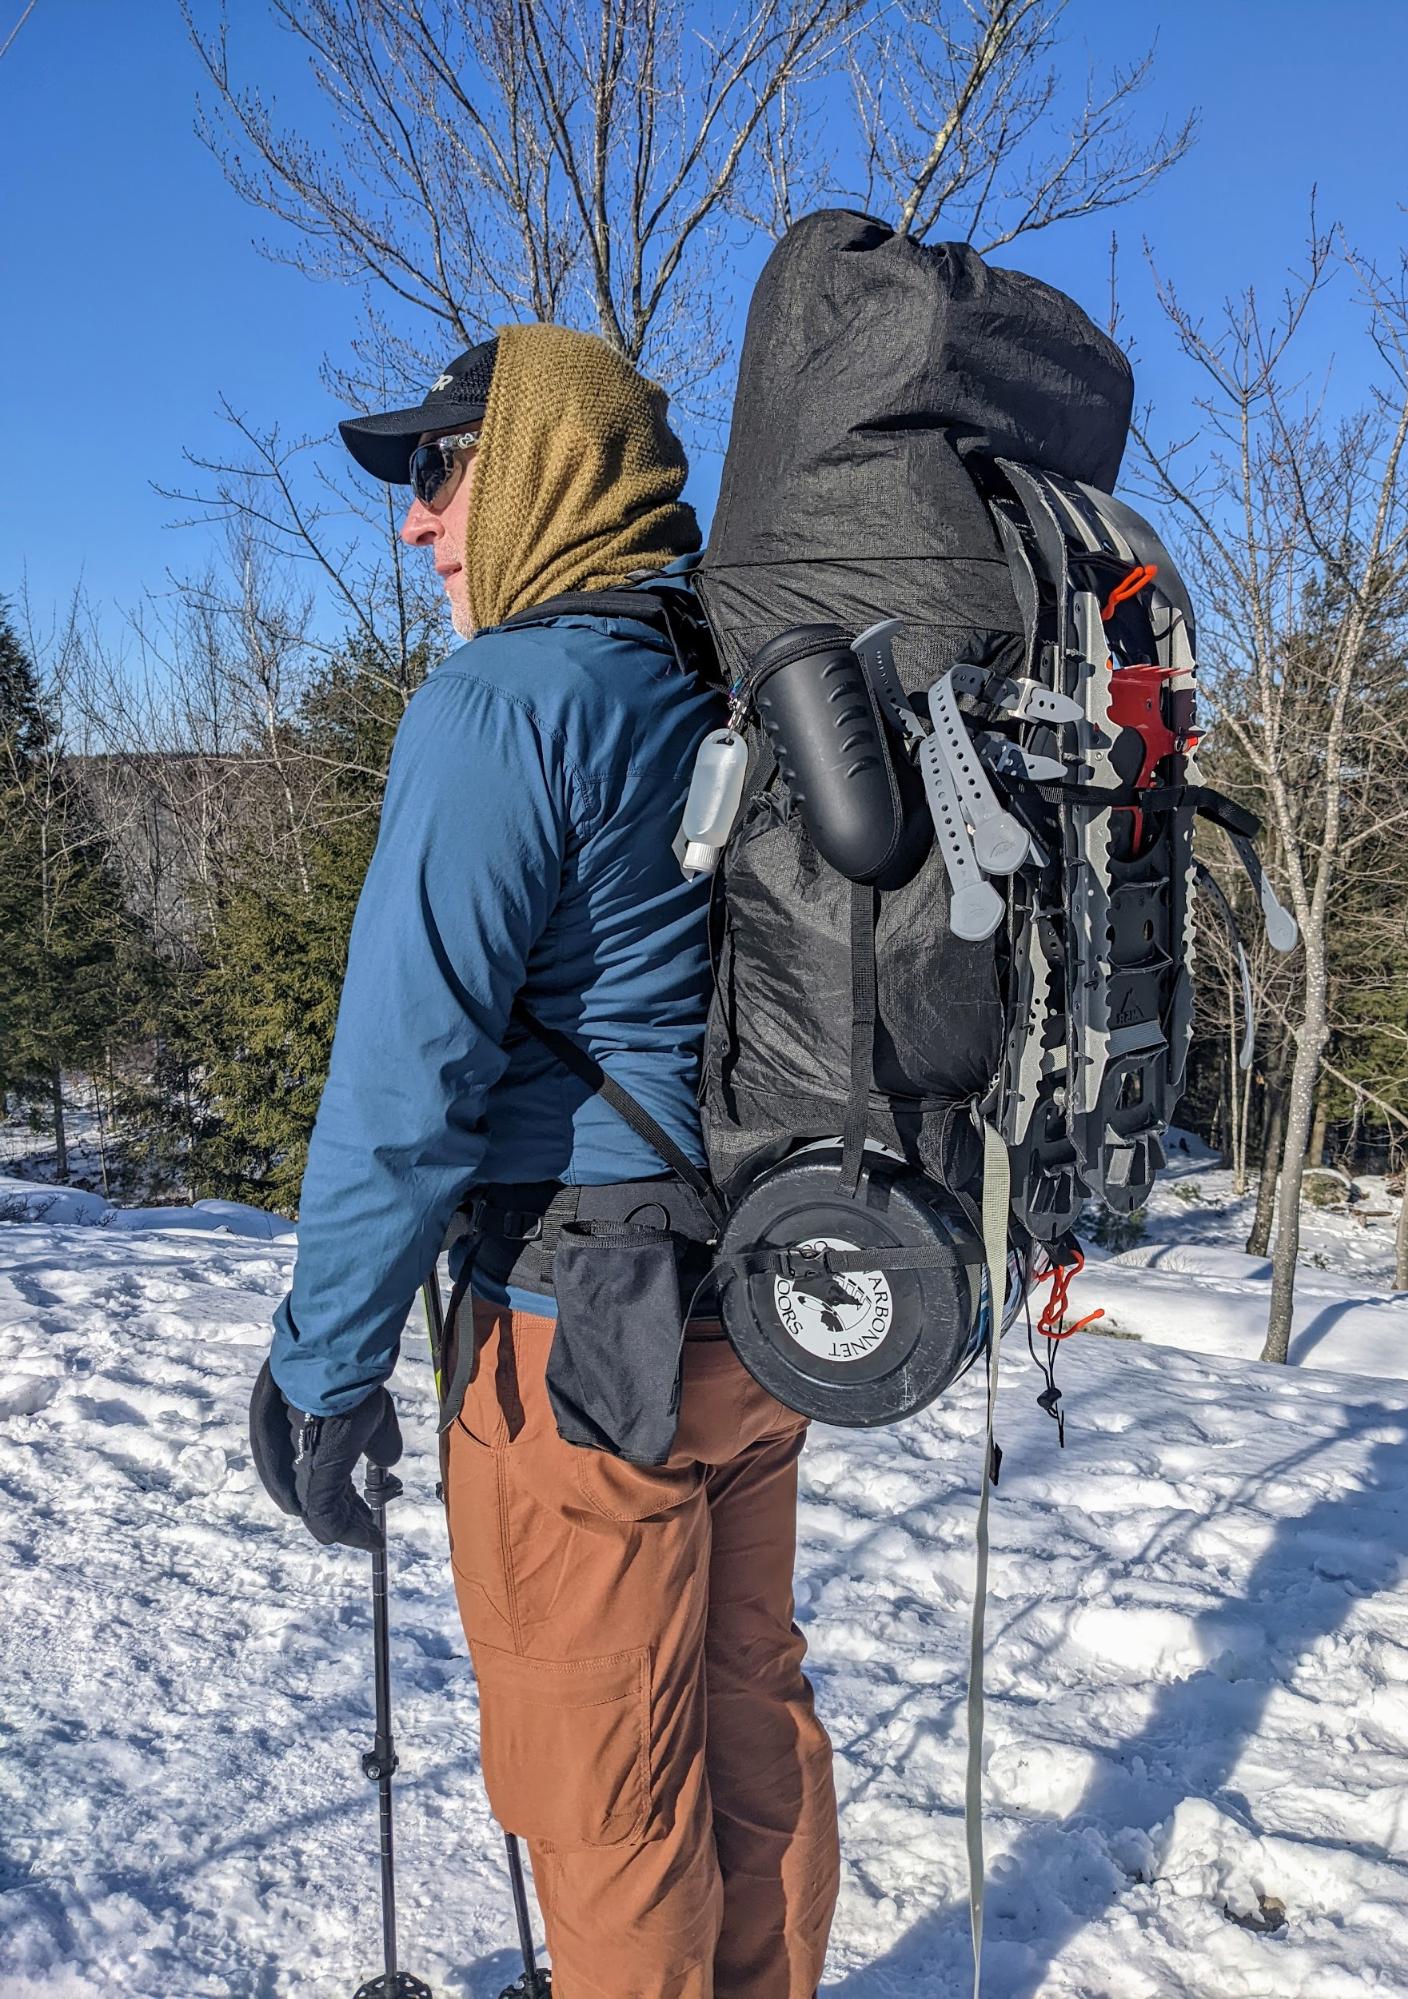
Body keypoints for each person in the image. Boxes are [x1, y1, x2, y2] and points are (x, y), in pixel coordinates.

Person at [248, 323, 839, 1999]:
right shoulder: (721, 669)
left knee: (607, 1791)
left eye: (441, 471)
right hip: (762, 1310)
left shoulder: (507, 701)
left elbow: (403, 1078)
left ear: (539, 473)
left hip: (580, 1333)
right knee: (747, 1718)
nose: (417, 522)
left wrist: (325, 1364)